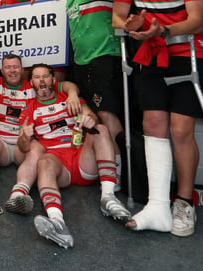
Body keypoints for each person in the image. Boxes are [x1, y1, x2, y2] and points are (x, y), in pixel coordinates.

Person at [113, 0, 203, 237]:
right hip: (150, 57)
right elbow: (117, 16)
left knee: (181, 130)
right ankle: (158, 206)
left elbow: (197, 20)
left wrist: (164, 30)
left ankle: (183, 203)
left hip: (189, 55)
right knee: (153, 128)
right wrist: (130, 24)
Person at [0, 33, 81, 213]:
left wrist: (72, 94)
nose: (12, 71)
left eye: (16, 67)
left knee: (36, 149)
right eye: (8, 67)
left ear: (22, 69)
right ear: (1, 71)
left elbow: (64, 85)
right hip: (1, 142)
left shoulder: (34, 86)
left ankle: (18, 196)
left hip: (23, 145)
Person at [19, 64, 131, 249]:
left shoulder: (68, 98)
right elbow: (23, 148)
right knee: (44, 161)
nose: (42, 81)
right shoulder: (29, 108)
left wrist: (90, 120)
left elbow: (92, 118)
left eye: (45, 76)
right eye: (37, 78)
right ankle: (57, 223)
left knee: (100, 129)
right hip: (59, 165)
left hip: (82, 158)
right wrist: (24, 136)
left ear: (54, 80)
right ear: (31, 83)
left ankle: (108, 197)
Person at [60, 0, 125, 174]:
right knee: (95, 114)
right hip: (81, 61)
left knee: (107, 113)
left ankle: (119, 170)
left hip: (104, 56)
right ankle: (107, 165)